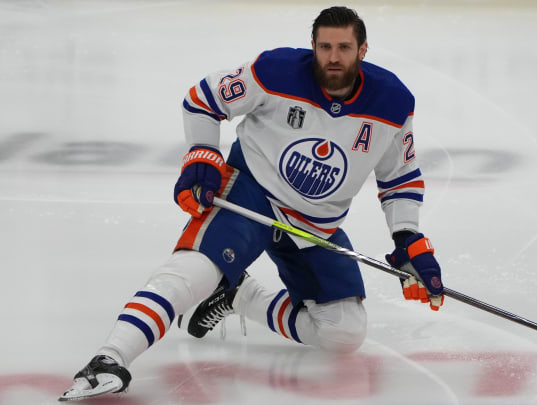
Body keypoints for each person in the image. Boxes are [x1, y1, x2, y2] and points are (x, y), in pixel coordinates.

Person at [59, 6, 444, 402]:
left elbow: (400, 178)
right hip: (251, 194)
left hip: (315, 224)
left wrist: (408, 238)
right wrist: (202, 155)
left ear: (363, 50)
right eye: (325, 46)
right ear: (312, 46)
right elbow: (202, 99)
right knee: (194, 272)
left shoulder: (393, 103)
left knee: (343, 334)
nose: (333, 57)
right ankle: (109, 358)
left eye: (344, 47)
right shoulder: (274, 71)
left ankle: (239, 296)